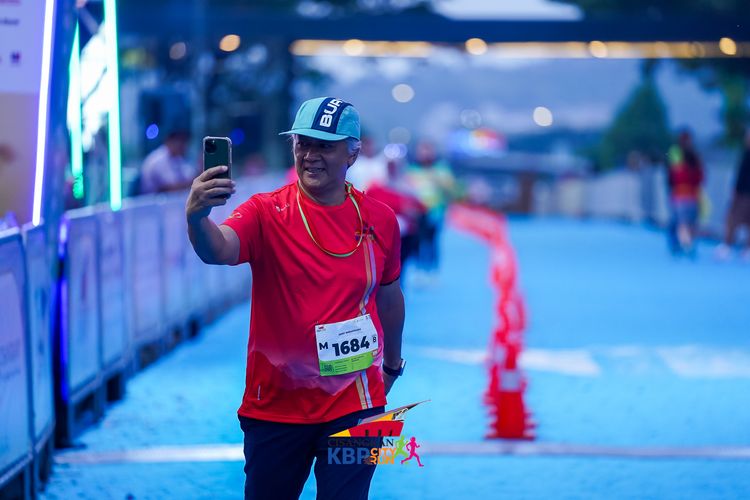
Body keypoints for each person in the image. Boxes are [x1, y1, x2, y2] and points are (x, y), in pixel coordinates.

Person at [185, 97, 406, 500]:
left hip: (358, 400)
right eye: (303, 143)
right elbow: (218, 250)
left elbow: (390, 297)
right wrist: (197, 217)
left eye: (325, 146)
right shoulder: (265, 211)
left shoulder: (380, 219)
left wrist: (393, 365)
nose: (310, 155)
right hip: (276, 404)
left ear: (352, 154)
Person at [406, 141, 456, 280]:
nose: (425, 154)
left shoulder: (441, 169)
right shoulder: (411, 170)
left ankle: (432, 269)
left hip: (435, 211)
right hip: (416, 211)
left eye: (428, 151)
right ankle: (418, 268)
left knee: (432, 240)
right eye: (422, 151)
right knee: (416, 240)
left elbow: (450, 189)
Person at [666, 130, 704, 257]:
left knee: (681, 222)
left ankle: (683, 244)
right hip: (690, 194)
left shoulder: (677, 154)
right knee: (687, 222)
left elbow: (674, 174)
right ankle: (686, 244)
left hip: (681, 194)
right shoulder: (693, 155)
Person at [716, 128, 750, 260]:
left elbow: (742, 176)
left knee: (732, 219)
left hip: (743, 195)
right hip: (744, 193)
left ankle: (727, 247)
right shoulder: (746, 153)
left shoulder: (747, 155)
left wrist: (736, 192)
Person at [139, 129, 194, 194]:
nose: (184, 145)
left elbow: (188, 178)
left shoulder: (177, 158)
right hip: (150, 198)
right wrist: (192, 183)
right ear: (169, 141)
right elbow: (168, 188)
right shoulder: (158, 159)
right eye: (180, 141)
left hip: (166, 198)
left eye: (184, 141)